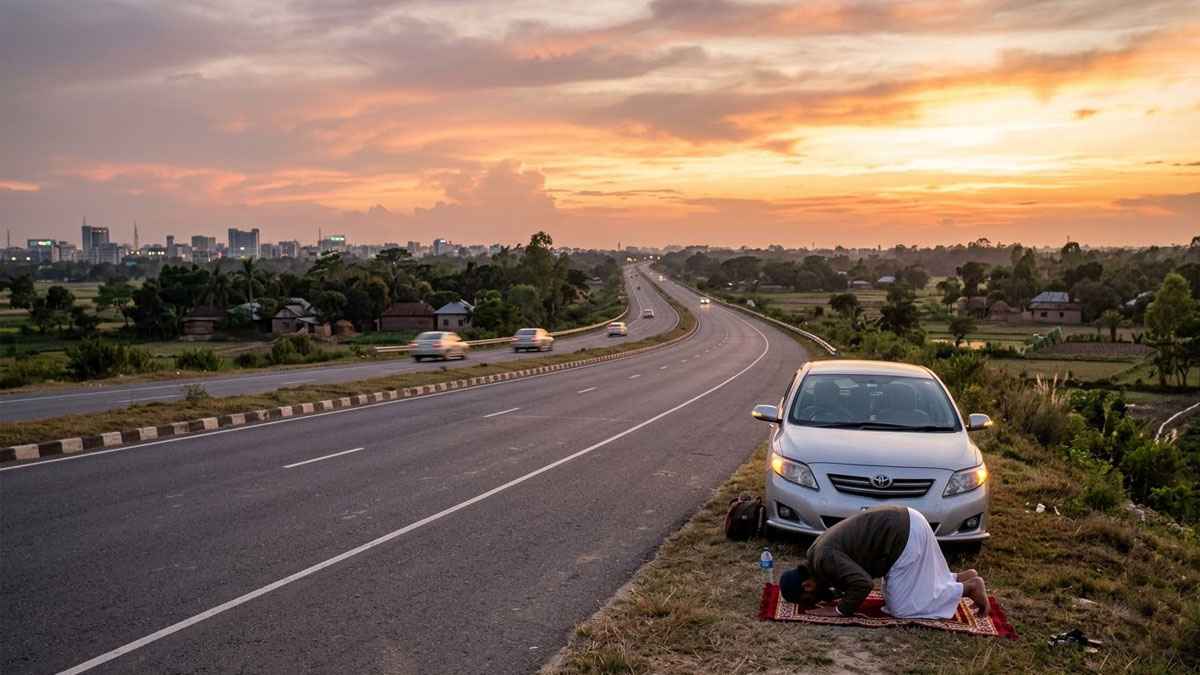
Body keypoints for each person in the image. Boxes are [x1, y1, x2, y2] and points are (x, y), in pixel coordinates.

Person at [778, 506, 989, 619]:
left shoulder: (825, 559)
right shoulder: (815, 555)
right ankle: (959, 578)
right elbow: (845, 578)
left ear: (807, 585)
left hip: (902, 536)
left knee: (901, 607)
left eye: (809, 599)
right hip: (907, 521)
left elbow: (863, 584)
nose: (814, 601)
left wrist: (839, 610)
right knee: (903, 591)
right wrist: (834, 595)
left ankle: (968, 588)